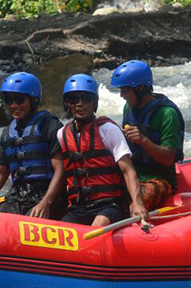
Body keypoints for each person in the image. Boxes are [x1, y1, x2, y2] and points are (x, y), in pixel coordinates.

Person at [0, 72, 66, 218]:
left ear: (33, 100)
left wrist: (46, 202)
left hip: (47, 196)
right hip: (18, 197)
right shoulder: (8, 133)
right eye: (9, 100)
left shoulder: (50, 126)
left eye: (20, 100)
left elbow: (61, 170)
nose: (14, 105)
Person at [57, 74, 147, 226]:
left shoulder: (108, 130)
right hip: (79, 207)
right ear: (67, 104)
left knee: (96, 228)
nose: (80, 104)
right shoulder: (62, 134)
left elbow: (128, 170)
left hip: (110, 205)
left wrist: (137, 203)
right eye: (74, 99)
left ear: (94, 103)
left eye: (86, 99)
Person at [110, 60, 185, 211]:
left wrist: (144, 141)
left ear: (141, 88)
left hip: (159, 178)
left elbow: (168, 159)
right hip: (133, 174)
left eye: (125, 91)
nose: (122, 95)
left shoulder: (167, 114)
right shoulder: (128, 108)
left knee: (141, 198)